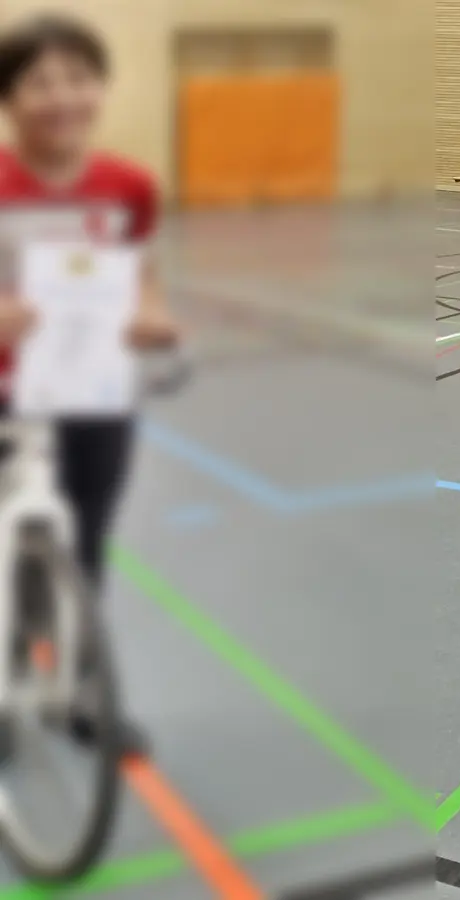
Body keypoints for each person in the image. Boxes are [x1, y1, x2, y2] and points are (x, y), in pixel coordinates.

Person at [0, 12, 181, 760]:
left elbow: (139, 273)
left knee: (83, 547)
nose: (61, 97)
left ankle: (76, 693)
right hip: (9, 395)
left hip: (92, 392)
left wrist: (151, 313)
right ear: (11, 99)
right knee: (13, 556)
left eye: (77, 78)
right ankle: (10, 693)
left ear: (99, 89)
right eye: (40, 82)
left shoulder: (129, 186)